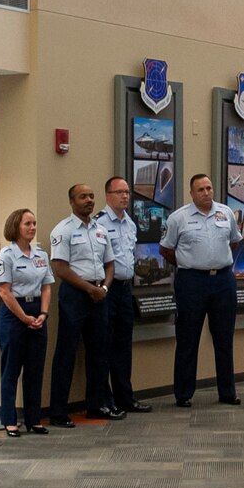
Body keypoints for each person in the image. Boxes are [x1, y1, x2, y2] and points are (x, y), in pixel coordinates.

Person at [162, 173, 242, 407]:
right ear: (192, 193)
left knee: (224, 338)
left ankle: (227, 392)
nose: (206, 193)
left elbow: (234, 242)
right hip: (191, 282)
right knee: (188, 338)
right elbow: (166, 250)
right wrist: (189, 264)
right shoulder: (179, 218)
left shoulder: (226, 213)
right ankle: (184, 394)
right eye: (201, 190)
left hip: (223, 281)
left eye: (209, 188)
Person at [46, 182, 112, 425]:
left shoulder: (101, 230)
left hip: (99, 294)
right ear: (72, 202)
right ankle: (58, 411)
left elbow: (110, 264)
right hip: (75, 294)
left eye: (92, 196)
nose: (89, 200)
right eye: (83, 197)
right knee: (66, 352)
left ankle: (96, 405)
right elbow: (60, 268)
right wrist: (89, 289)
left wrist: (103, 288)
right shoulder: (62, 230)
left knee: (99, 352)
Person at [0, 207, 52, 438]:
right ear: (15, 226)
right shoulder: (6, 256)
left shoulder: (40, 255)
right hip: (14, 314)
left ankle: (33, 418)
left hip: (37, 311)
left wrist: (43, 314)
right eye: (27, 224)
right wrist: (23, 317)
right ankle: (9, 420)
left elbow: (47, 286)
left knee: (35, 369)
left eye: (34, 223)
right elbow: (5, 292)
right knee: (11, 369)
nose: (32, 228)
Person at [96, 176, 148, 415]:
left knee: (124, 345)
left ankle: (125, 397)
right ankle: (106, 400)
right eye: (120, 192)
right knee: (104, 344)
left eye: (127, 192)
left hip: (126, 288)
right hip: (107, 289)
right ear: (108, 195)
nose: (125, 196)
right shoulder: (99, 224)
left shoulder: (130, 223)